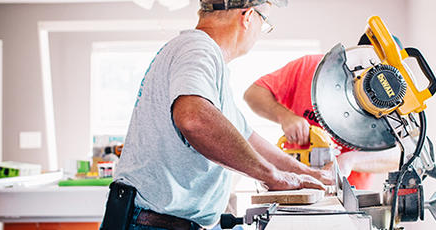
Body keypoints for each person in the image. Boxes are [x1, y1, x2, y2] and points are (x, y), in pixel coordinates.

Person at [103, 1, 333, 229]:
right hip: (152, 223)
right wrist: (272, 176)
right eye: (264, 23)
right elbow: (194, 119)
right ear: (248, 16)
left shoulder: (203, 59)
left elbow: (248, 138)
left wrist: (304, 173)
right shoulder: (197, 48)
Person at [244, 37, 404, 190]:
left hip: (350, 196)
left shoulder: (393, 103)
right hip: (295, 185)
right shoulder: (310, 67)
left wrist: (350, 160)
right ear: (357, 53)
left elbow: (400, 155)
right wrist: (284, 116)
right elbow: (253, 94)